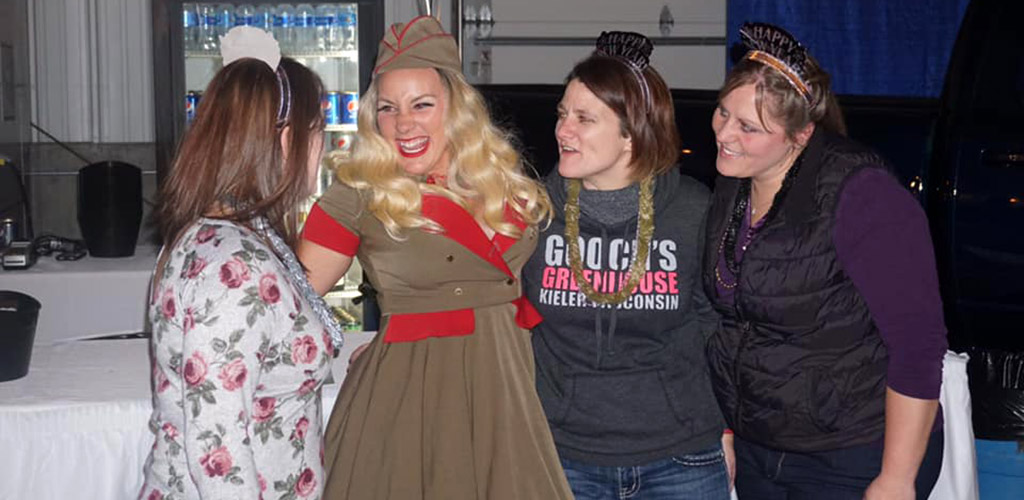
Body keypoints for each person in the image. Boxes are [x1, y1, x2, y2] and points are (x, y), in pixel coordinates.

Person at [297, 16, 574, 499]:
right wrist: (379, 343)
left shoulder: (503, 181)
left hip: (505, 398)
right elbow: (288, 307)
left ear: (456, 109)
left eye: (422, 104)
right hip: (411, 404)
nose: (404, 123)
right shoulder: (356, 194)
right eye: (388, 108)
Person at [703, 22, 947, 500]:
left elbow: (918, 346)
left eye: (748, 127)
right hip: (764, 446)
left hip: (854, 451)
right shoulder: (736, 181)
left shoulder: (863, 195)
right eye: (722, 113)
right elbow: (732, 324)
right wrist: (728, 429)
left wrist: (896, 479)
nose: (724, 134)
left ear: (801, 134)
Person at [520, 31, 732, 499]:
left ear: (631, 133)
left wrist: (728, 429)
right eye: (562, 114)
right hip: (562, 455)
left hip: (680, 458)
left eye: (583, 118)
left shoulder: (692, 210)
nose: (562, 130)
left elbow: (714, 326)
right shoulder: (535, 213)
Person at [140, 27, 341, 499]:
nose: (323, 150)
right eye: (319, 133)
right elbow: (218, 450)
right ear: (286, 139)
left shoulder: (242, 235)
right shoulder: (234, 270)